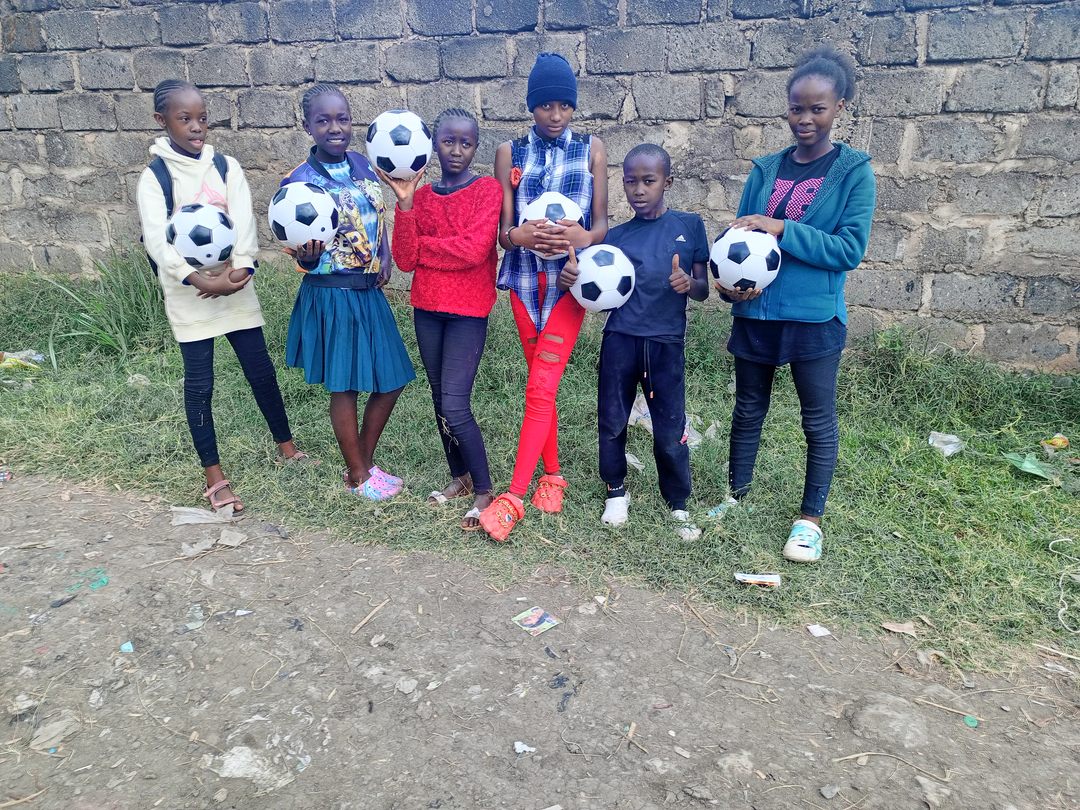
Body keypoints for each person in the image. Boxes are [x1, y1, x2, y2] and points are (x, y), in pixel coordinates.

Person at [718, 46, 877, 562]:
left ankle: (810, 520)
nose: (805, 119)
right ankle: (735, 497)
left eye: (817, 109)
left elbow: (848, 250)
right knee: (748, 409)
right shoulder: (766, 170)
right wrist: (729, 286)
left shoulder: (854, 173)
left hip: (814, 318)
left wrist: (783, 228)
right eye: (796, 108)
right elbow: (739, 237)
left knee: (817, 419)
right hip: (757, 313)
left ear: (840, 107)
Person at [136, 79, 309, 514]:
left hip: (234, 285)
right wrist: (197, 280)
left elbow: (245, 220)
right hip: (189, 294)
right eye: (185, 119)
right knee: (200, 385)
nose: (197, 127)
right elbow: (157, 242)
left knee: (261, 371)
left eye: (202, 118)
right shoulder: (155, 177)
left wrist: (243, 267)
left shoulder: (225, 167)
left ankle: (286, 446)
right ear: (162, 121)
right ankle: (214, 475)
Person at [478, 52, 609, 542]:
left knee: (540, 386)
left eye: (564, 106)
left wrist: (582, 238)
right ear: (531, 106)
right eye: (545, 105)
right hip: (524, 282)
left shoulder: (592, 149)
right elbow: (503, 232)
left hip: (570, 286)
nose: (556, 115)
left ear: (574, 107)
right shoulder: (509, 153)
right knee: (541, 383)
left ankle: (513, 496)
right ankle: (552, 476)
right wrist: (521, 235)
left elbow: (601, 225)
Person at [563, 143, 710, 540]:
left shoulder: (690, 226)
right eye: (631, 182)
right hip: (621, 341)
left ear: (668, 182)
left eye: (649, 181)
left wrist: (689, 283)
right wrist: (568, 279)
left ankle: (677, 503)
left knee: (670, 427)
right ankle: (615, 492)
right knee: (612, 421)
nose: (639, 190)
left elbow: (703, 290)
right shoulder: (615, 238)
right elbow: (589, 286)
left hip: (665, 343)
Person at [283, 84, 415, 501]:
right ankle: (358, 475)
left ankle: (365, 463)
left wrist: (385, 255)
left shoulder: (362, 164)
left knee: (392, 377)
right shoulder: (299, 182)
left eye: (342, 118)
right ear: (307, 126)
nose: (335, 128)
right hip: (332, 293)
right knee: (346, 386)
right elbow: (300, 252)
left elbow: (376, 212)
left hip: (368, 290)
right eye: (323, 121)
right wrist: (307, 259)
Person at [380, 108, 503, 530]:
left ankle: (485, 489)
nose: (456, 150)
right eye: (448, 141)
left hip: (468, 312)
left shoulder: (487, 190)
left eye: (466, 143)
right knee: (439, 400)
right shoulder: (423, 197)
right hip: (428, 309)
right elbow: (405, 258)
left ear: (476, 147)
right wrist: (405, 205)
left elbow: (474, 250)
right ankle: (460, 477)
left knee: (455, 402)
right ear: (434, 144)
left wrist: (428, 246)